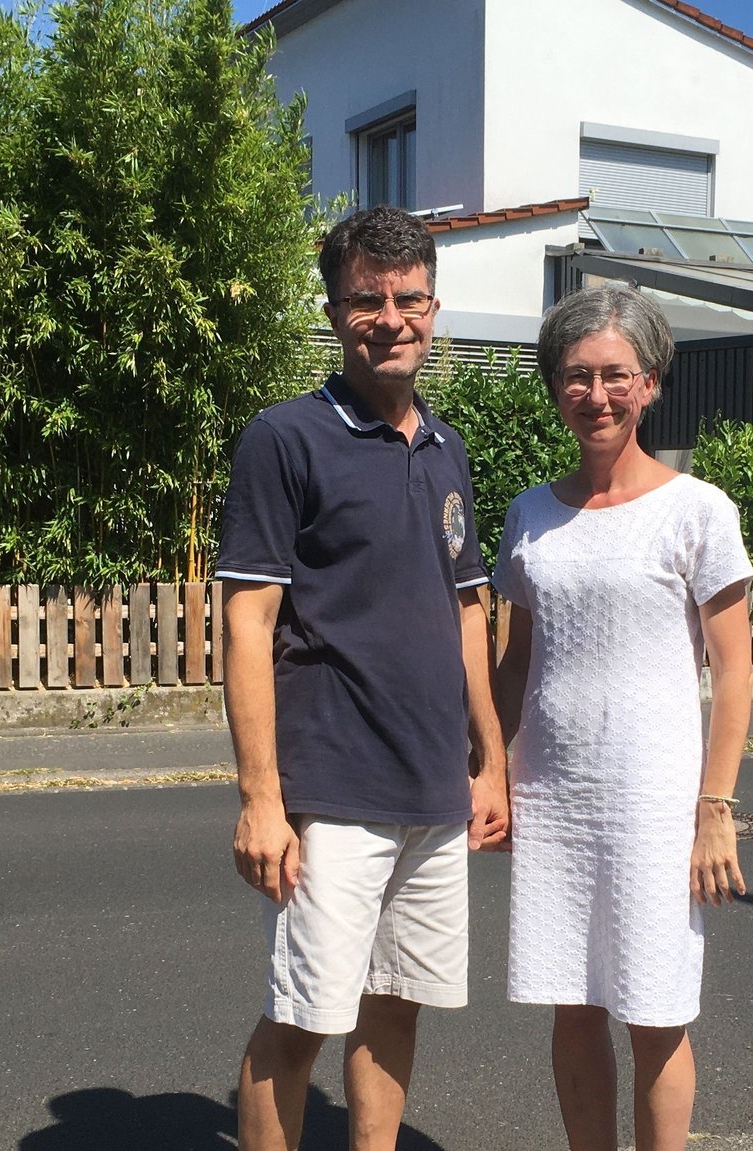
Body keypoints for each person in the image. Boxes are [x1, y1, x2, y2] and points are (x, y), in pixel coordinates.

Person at [214, 206, 510, 1151]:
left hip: (432, 785)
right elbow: (247, 621)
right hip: (334, 786)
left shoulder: (447, 447)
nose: (391, 317)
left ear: (434, 305)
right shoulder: (285, 439)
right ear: (336, 308)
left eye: (408, 298)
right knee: (303, 1016)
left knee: (397, 1005)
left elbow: (470, 610)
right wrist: (263, 799)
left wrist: (491, 765)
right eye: (367, 299)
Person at [490, 284, 753, 1151]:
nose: (595, 394)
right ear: (554, 385)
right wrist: (488, 769)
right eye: (576, 375)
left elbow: (734, 671)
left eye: (615, 375)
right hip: (554, 794)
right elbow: (516, 659)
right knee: (573, 1001)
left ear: (649, 383)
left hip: (654, 799)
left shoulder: (697, 510)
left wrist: (714, 810)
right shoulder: (530, 514)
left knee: (655, 1006)